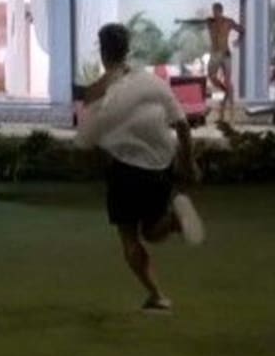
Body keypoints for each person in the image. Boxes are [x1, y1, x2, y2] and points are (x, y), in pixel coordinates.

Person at [76, 23, 204, 314]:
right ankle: (174, 221)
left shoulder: (96, 93)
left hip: (124, 170)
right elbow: (183, 126)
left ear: (102, 52)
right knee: (153, 230)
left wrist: (93, 167)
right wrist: (188, 162)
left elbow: (86, 142)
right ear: (127, 49)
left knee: (131, 238)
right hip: (160, 165)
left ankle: (157, 296)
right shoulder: (152, 82)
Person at [177, 3, 244, 122]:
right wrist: (183, 21)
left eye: (217, 11)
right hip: (215, 53)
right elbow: (196, 22)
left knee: (228, 81)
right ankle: (226, 91)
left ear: (221, 11)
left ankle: (230, 111)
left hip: (225, 53)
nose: (215, 14)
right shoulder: (210, 22)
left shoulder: (228, 22)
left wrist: (238, 41)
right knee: (212, 77)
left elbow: (242, 30)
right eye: (214, 11)